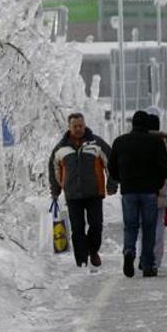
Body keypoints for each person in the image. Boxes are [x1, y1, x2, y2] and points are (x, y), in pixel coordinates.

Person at [48, 113, 117, 268]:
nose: (79, 129)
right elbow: (54, 170)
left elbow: (111, 162)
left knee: (96, 225)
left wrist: (112, 183)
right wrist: (56, 189)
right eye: (75, 126)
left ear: (84, 125)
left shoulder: (96, 143)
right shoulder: (61, 148)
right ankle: (81, 260)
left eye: (81, 125)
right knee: (77, 229)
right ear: (69, 127)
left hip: (94, 193)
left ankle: (93, 251)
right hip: (73, 195)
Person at [108, 111, 167, 278]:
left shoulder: (120, 142)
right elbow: (165, 166)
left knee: (130, 226)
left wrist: (122, 180)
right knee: (149, 228)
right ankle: (148, 264)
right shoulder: (155, 142)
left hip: (128, 190)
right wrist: (157, 183)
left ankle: (129, 250)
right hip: (149, 191)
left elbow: (111, 167)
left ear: (132, 123)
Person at [142, 114, 167, 270]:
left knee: (142, 226)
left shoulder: (139, 142)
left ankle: (143, 257)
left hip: (141, 189)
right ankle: (155, 261)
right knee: (158, 227)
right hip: (160, 191)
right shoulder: (165, 144)